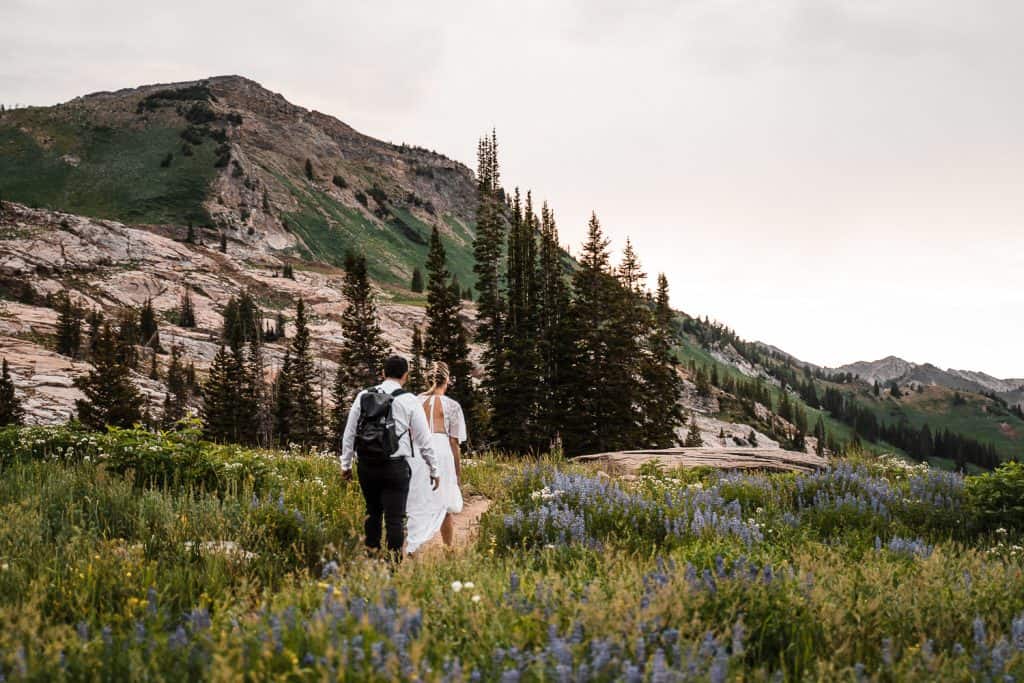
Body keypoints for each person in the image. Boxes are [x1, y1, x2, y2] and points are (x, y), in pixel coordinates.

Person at [340, 355, 438, 561]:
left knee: (373, 512)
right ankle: (393, 566)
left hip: (367, 464)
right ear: (405, 376)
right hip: (395, 467)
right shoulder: (409, 400)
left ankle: (372, 560)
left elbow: (349, 433)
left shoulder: (363, 396)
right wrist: (433, 469)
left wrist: (346, 464)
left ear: (383, 373)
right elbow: (424, 440)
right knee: (395, 518)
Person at [405, 361, 466, 553]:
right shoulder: (452, 406)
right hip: (442, 451)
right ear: (446, 380)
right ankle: (449, 550)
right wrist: (457, 472)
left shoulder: (414, 402)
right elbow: (454, 443)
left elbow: (406, 434)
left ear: (427, 379)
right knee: (444, 501)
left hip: (418, 451)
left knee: (418, 499)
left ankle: (414, 546)